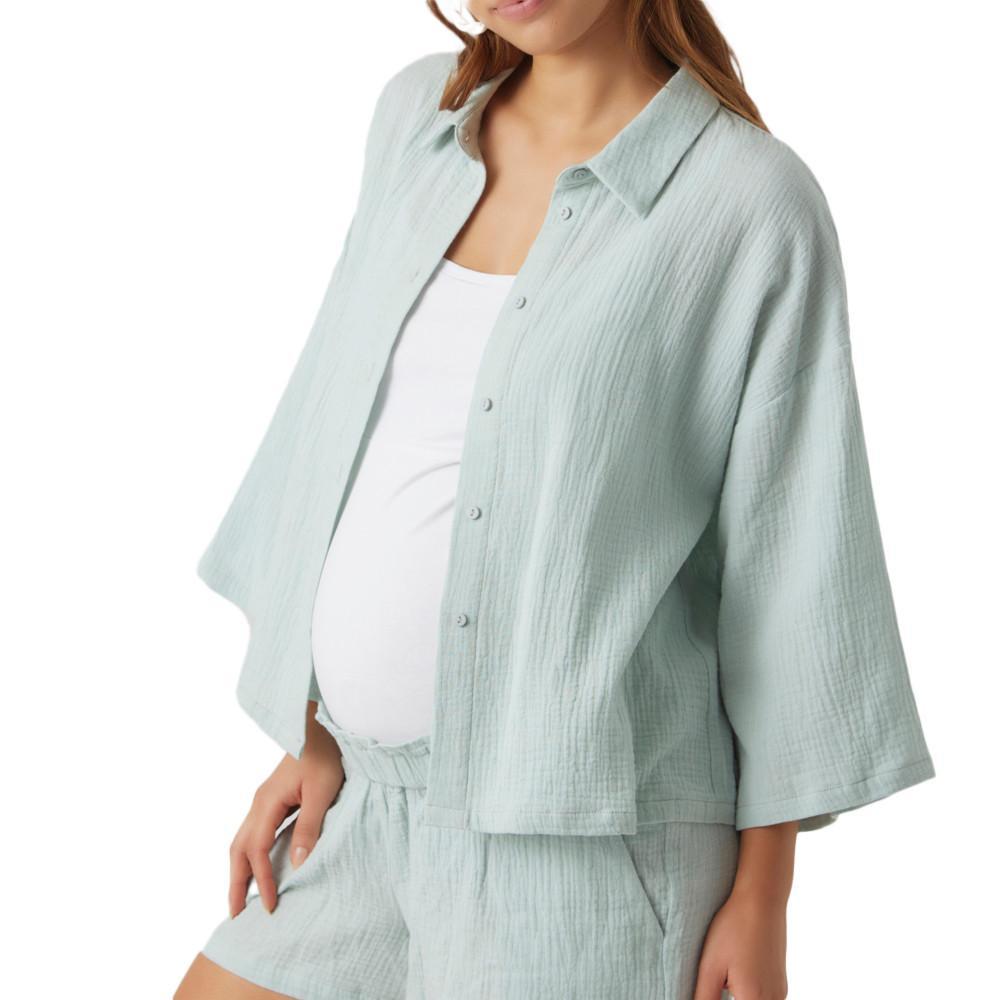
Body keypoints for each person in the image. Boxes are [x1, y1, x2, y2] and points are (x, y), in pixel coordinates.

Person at [174, 1, 935, 998]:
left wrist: (763, 893)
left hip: (582, 853)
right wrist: (313, 726)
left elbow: (792, 561)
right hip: (362, 803)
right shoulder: (416, 120)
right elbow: (335, 419)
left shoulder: (748, 200)